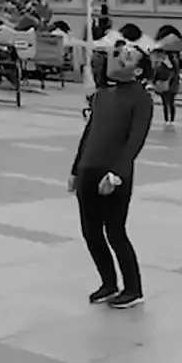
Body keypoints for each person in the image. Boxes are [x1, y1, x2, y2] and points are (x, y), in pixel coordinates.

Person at [68, 38, 153, 308]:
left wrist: (116, 174)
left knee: (115, 231)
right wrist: (75, 169)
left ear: (138, 70)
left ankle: (133, 289)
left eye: (129, 56)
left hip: (114, 174)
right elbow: (89, 134)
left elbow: (135, 141)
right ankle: (108, 283)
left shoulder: (141, 98)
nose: (120, 56)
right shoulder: (103, 95)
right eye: (120, 53)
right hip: (88, 169)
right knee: (90, 231)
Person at [151, 50, 182, 130]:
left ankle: (168, 119)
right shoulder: (172, 65)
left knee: (167, 103)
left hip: (167, 86)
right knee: (170, 103)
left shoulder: (166, 65)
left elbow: (157, 74)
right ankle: (170, 119)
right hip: (171, 86)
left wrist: (155, 81)